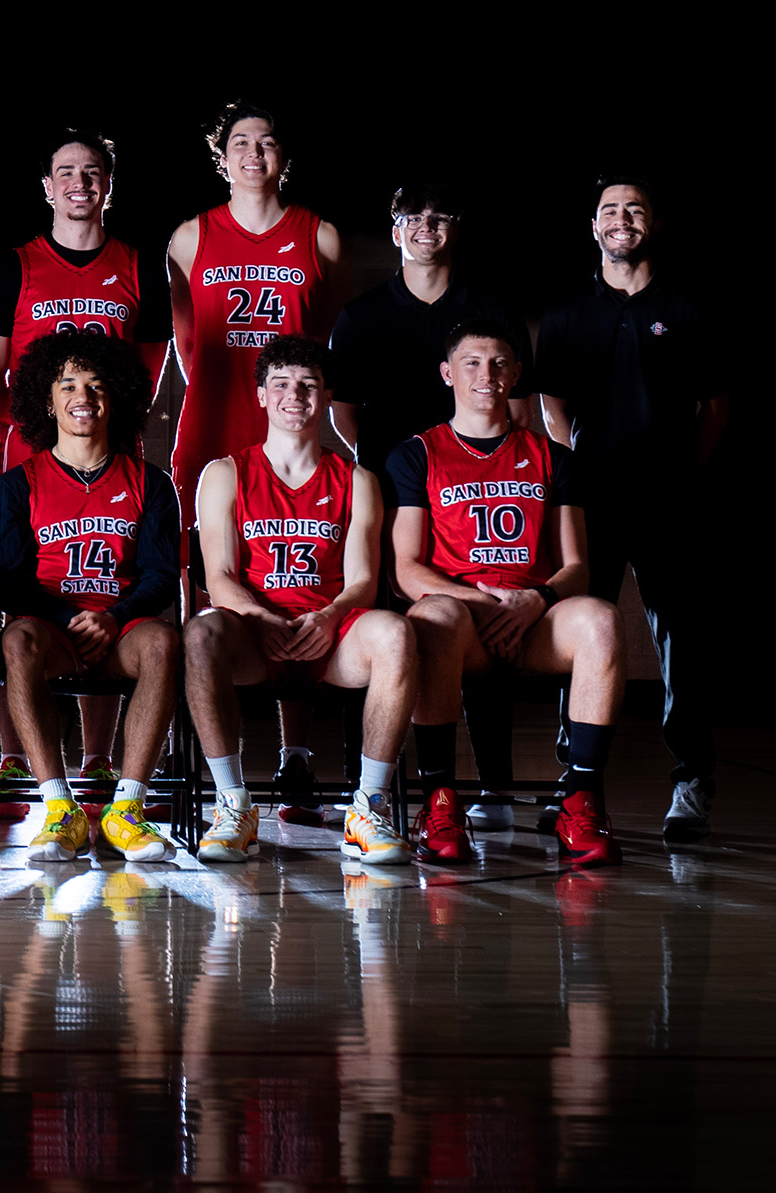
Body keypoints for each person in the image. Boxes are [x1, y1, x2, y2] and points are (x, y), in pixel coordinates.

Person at [327, 180, 538, 830]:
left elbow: (519, 408)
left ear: (454, 230)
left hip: (473, 488)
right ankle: (374, 785)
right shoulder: (361, 316)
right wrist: (400, 469)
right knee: (380, 632)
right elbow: (344, 411)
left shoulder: (488, 308)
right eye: (412, 217)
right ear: (394, 231)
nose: (426, 226)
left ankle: (493, 786)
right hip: (394, 490)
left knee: (482, 625)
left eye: (440, 216)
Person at [0, 127, 173, 789]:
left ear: (108, 185)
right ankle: (11, 753)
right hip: (35, 452)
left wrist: (103, 430)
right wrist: (37, 433)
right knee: (22, 608)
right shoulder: (12, 268)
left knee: (110, 589)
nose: (79, 184)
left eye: (92, 173)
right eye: (66, 172)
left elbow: (143, 376)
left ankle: (94, 758)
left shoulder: (140, 266)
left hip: (112, 449)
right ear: (46, 186)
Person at [166, 100, 347, 811]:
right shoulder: (189, 235)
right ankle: (201, 754)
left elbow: (317, 340)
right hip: (212, 427)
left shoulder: (321, 235)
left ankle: (296, 753)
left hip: (292, 432)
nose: (253, 152)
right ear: (221, 157)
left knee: (297, 574)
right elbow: (187, 341)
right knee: (201, 588)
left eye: (267, 141)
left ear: (283, 157)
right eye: (240, 141)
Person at [391, 321, 625, 867]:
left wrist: (536, 598)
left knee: (602, 621)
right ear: (448, 373)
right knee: (432, 617)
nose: (486, 374)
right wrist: (478, 600)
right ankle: (441, 802)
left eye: (500, 363)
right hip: (464, 619)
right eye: (472, 362)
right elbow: (406, 568)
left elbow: (576, 568)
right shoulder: (418, 454)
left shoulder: (554, 458)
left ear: (517, 375)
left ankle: (580, 799)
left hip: (533, 619)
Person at [537, 177, 727, 843]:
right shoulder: (565, 316)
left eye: (634, 209)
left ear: (653, 223)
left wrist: (679, 471)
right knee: (579, 634)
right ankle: (576, 782)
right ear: (594, 227)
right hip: (592, 500)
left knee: (682, 637)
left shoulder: (689, 309)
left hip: (668, 498)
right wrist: (576, 473)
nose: (621, 220)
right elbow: (553, 405)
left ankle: (691, 780)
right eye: (610, 211)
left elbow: (714, 408)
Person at [183, 336, 419, 865]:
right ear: (262, 396)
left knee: (396, 633)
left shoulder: (358, 479)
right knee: (200, 631)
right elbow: (218, 578)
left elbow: (363, 580)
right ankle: (233, 805)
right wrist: (261, 617)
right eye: (282, 385)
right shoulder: (225, 474)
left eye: (309, 386)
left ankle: (368, 808)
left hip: (330, 637)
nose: (296, 396)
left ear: (326, 396)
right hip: (253, 634)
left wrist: (330, 615)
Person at [0, 330, 181, 863]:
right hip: (54, 629)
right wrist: (70, 616)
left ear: (115, 396)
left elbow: (162, 577)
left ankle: (127, 808)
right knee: (16, 640)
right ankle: (60, 807)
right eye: (68, 384)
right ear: (46, 400)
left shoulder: (151, 481)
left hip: (122, 628)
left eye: (97, 385)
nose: (84, 396)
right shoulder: (17, 484)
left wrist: (114, 616)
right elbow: (10, 582)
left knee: (164, 643)